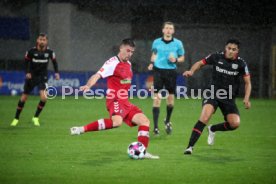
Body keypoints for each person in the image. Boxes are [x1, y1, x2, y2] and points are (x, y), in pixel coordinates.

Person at [70, 38, 159, 159]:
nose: (130, 54)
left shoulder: (128, 64)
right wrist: (88, 85)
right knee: (117, 122)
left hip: (124, 101)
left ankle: (143, 151)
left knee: (145, 121)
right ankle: (81, 129)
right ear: (121, 48)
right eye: (128, 51)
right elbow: (97, 75)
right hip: (114, 99)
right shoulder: (112, 63)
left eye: (132, 52)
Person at [183, 39, 251, 154]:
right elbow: (200, 63)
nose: (230, 51)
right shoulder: (216, 57)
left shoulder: (241, 63)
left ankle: (212, 129)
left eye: (233, 49)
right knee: (204, 117)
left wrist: (246, 98)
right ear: (225, 48)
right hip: (213, 93)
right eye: (229, 48)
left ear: (237, 51)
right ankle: (189, 147)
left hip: (228, 97)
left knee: (234, 124)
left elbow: (248, 82)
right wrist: (191, 71)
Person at [11, 33, 60, 126]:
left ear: (46, 41)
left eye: (44, 40)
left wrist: (56, 73)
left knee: (44, 98)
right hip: (32, 76)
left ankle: (35, 117)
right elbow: (25, 63)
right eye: (40, 39)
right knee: (24, 98)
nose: (42, 41)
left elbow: (54, 62)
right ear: (37, 40)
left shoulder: (50, 52)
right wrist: (27, 72)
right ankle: (16, 118)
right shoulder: (31, 51)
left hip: (43, 77)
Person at [148, 21, 185, 135]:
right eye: (167, 28)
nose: (168, 30)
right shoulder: (156, 42)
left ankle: (167, 120)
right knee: (157, 99)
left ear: (173, 31)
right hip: (158, 71)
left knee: (170, 101)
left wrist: (176, 60)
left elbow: (182, 57)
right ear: (163, 30)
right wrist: (151, 63)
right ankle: (155, 127)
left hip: (171, 72)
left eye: (171, 28)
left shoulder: (178, 43)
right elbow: (154, 54)